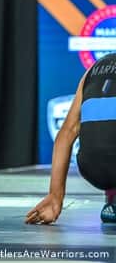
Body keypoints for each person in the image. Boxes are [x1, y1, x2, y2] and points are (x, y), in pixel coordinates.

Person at [25, 53, 116, 225]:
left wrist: (55, 196)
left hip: (92, 169)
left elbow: (67, 132)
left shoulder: (93, 70)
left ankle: (112, 202)